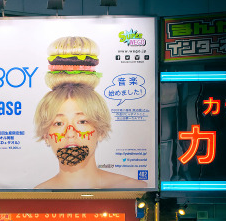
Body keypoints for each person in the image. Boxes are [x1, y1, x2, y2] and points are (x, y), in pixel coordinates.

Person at [33, 36, 147, 189]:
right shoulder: (38, 194)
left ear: (101, 130)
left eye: (82, 121)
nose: (70, 133)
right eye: (58, 123)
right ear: (46, 135)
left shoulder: (134, 188)